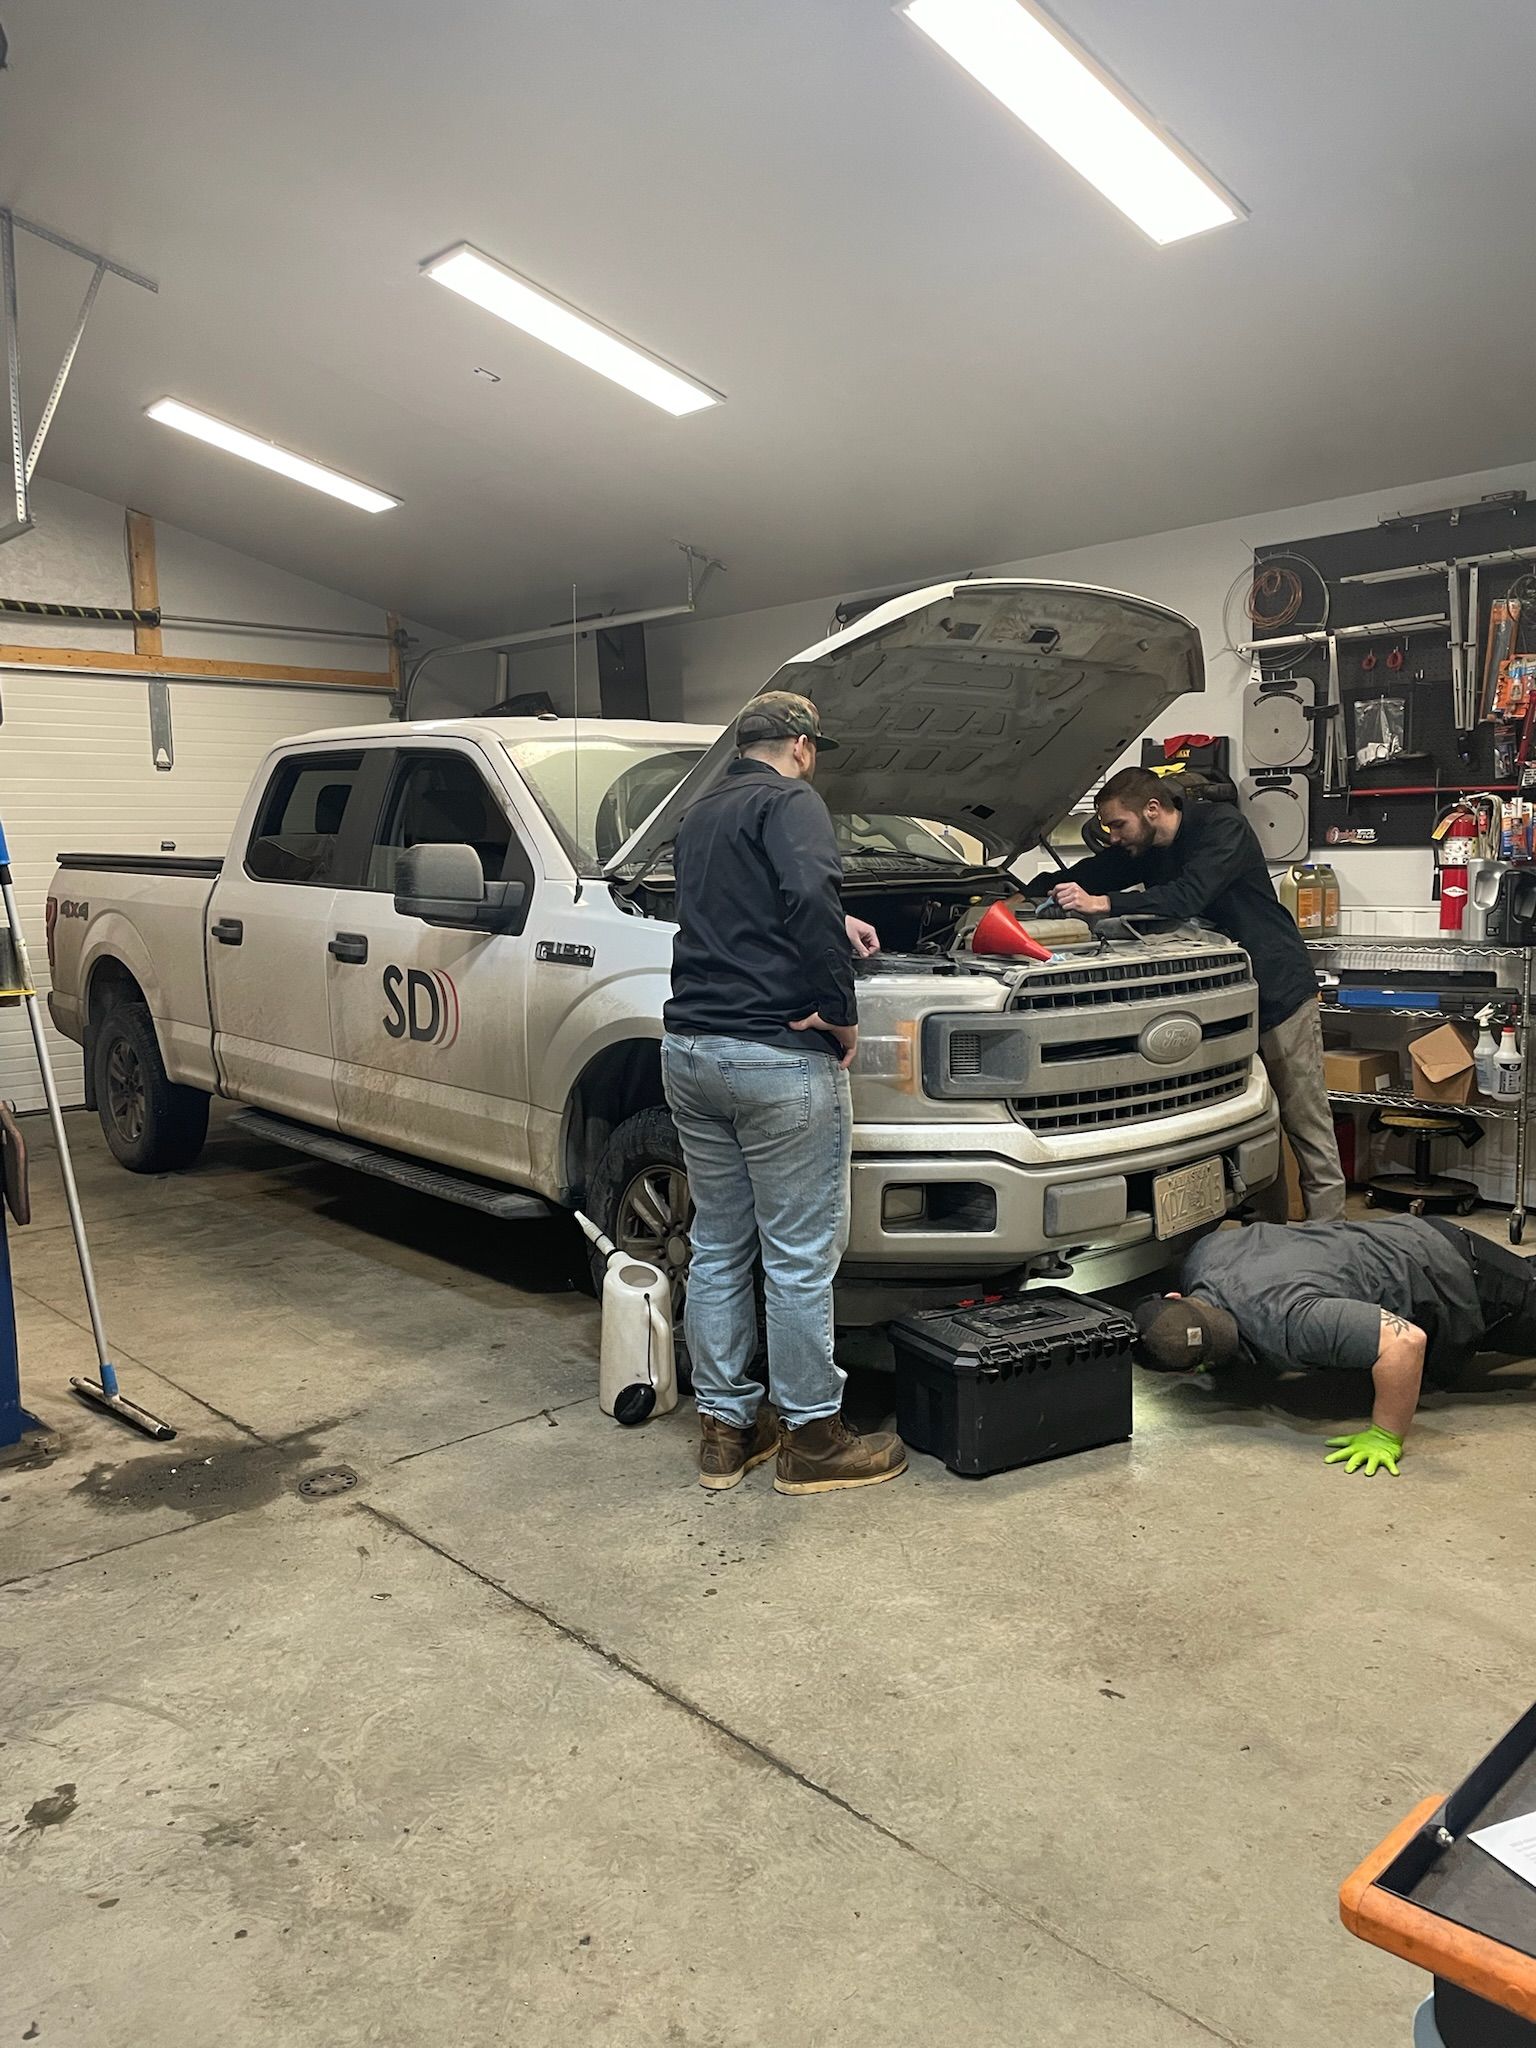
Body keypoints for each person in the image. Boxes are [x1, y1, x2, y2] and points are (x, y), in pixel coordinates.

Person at [661, 690, 908, 1497]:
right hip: (773, 1057)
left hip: (691, 1048)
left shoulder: (700, 811)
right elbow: (803, 893)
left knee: (720, 1246)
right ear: (802, 745)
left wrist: (836, 925)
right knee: (800, 1258)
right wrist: (838, 1013)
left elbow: (736, 909)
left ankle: (726, 1433)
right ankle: (812, 1438)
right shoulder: (792, 798)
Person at [1046, 766, 1344, 1223]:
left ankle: (1333, 1239)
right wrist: (1017, 889)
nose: (1112, 836)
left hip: (1277, 990)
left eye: (1117, 824)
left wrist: (1103, 904)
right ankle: (1269, 1239)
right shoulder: (1145, 847)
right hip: (1219, 1005)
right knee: (1250, 1121)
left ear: (1152, 809)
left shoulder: (1221, 827)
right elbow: (1096, 870)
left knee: (1305, 1123)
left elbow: (1188, 895)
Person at [1133, 1213, 1536, 1476]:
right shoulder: (1203, 1255)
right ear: (1174, 1297)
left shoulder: (1291, 1322)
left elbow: (1405, 1343)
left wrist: (1385, 1435)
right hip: (1409, 1235)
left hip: (1460, 1277)